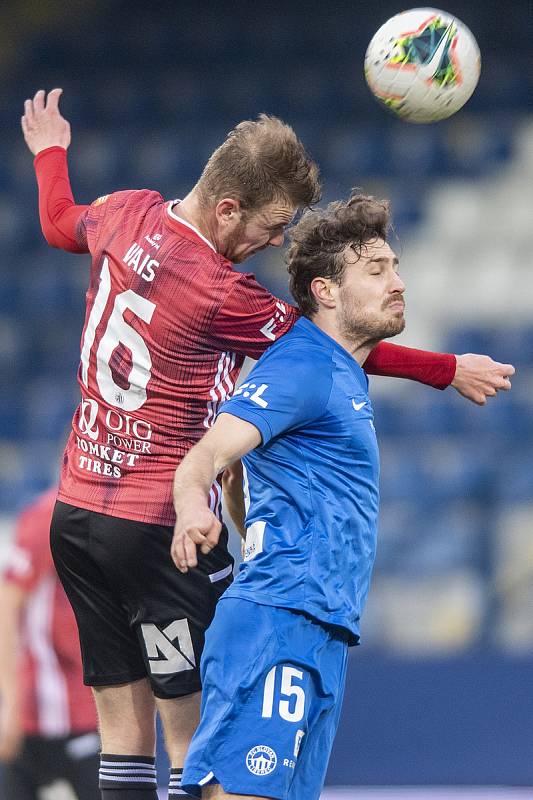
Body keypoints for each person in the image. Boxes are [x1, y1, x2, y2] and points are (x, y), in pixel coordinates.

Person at [21, 88, 513, 800]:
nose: (276, 242)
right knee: (199, 742)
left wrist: (50, 154)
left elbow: (60, 222)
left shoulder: (126, 211)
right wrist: (445, 370)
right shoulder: (220, 291)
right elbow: (334, 346)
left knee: (121, 738)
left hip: (79, 513)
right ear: (228, 208)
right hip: (159, 524)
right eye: (272, 225)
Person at [171, 194, 514, 800]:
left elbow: (255, 490)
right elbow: (205, 456)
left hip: (320, 627)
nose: (398, 283)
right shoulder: (301, 367)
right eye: (377, 271)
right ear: (326, 291)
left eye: (396, 268)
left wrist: (240, 511)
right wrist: (193, 508)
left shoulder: (339, 371)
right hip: (280, 620)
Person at [0, 486, 100, 800]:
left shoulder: (116, 514)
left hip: (92, 703)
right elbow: (7, 604)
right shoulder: (48, 516)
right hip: (38, 710)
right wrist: (9, 704)